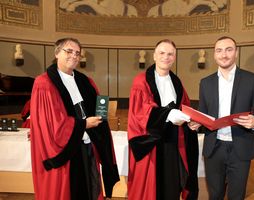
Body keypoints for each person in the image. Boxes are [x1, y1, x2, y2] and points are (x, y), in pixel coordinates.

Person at [30, 37, 119, 200]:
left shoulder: (85, 81)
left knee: (90, 187)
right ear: (57, 53)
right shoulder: (44, 83)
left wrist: (100, 115)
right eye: (69, 51)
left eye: (77, 53)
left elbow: (99, 107)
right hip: (67, 150)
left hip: (87, 145)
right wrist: (84, 124)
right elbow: (53, 123)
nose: (74, 56)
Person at [127, 39, 199, 200]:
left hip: (173, 142)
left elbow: (185, 106)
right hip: (152, 143)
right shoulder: (141, 81)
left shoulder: (176, 81)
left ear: (174, 58)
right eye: (162, 53)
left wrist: (191, 120)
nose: (166, 57)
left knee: (171, 186)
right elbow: (140, 112)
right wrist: (167, 115)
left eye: (170, 54)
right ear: (154, 56)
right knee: (151, 190)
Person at [198, 36, 254, 200]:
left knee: (237, 196)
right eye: (219, 50)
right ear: (214, 54)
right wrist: (196, 124)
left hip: (240, 148)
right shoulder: (205, 83)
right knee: (214, 195)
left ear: (236, 53)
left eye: (229, 49)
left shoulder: (252, 79)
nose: (224, 55)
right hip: (213, 149)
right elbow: (202, 114)